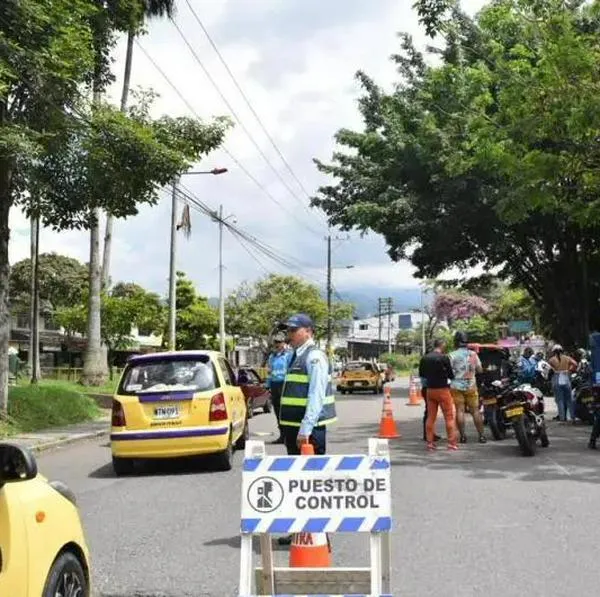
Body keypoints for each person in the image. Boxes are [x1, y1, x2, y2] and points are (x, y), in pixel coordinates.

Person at [277, 313, 336, 546]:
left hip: (308, 430)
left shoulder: (314, 357)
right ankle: (300, 530)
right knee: (297, 481)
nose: (289, 335)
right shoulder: (294, 355)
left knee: (312, 481)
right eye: (288, 331)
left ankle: (320, 533)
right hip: (294, 429)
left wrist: (305, 429)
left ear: (308, 331)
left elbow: (316, 395)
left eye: (293, 330)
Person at [419, 339, 457, 451]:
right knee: (449, 417)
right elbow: (451, 375)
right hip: (443, 390)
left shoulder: (425, 358)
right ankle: (451, 443)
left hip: (430, 390)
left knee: (431, 417)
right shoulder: (444, 358)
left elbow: (422, 375)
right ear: (442, 345)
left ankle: (430, 443)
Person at [449, 331, 487, 444]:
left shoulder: (452, 355)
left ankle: (463, 437)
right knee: (475, 411)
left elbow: (449, 371)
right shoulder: (473, 354)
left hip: (456, 386)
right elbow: (480, 370)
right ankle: (481, 436)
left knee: (460, 410)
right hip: (471, 386)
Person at [265, 333, 292, 445]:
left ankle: (289, 436)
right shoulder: (272, 357)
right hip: (275, 386)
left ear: (284, 343)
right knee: (277, 412)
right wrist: (268, 386)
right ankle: (282, 436)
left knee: (286, 412)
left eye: (279, 342)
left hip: (285, 385)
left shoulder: (288, 356)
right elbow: (269, 373)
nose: (277, 344)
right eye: (276, 342)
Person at [548, 344, 577, 423]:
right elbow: (575, 364)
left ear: (554, 352)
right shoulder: (567, 358)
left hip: (557, 379)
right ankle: (572, 417)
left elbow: (548, 370)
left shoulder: (551, 360)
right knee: (569, 399)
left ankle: (562, 418)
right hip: (566, 378)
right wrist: (569, 370)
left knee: (560, 400)